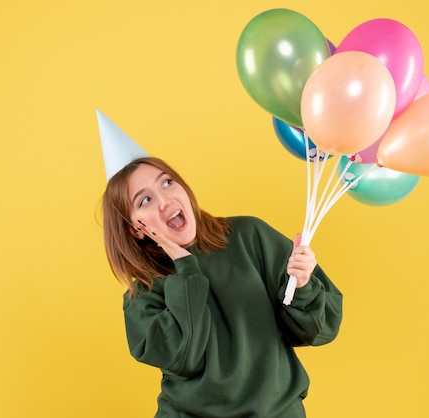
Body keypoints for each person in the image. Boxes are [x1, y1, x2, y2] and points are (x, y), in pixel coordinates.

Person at [101, 155, 343, 418]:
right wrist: (186, 269)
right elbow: (186, 358)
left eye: (167, 183)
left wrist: (302, 286)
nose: (165, 201)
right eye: (145, 200)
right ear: (134, 229)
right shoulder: (143, 297)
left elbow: (321, 329)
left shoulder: (249, 236)